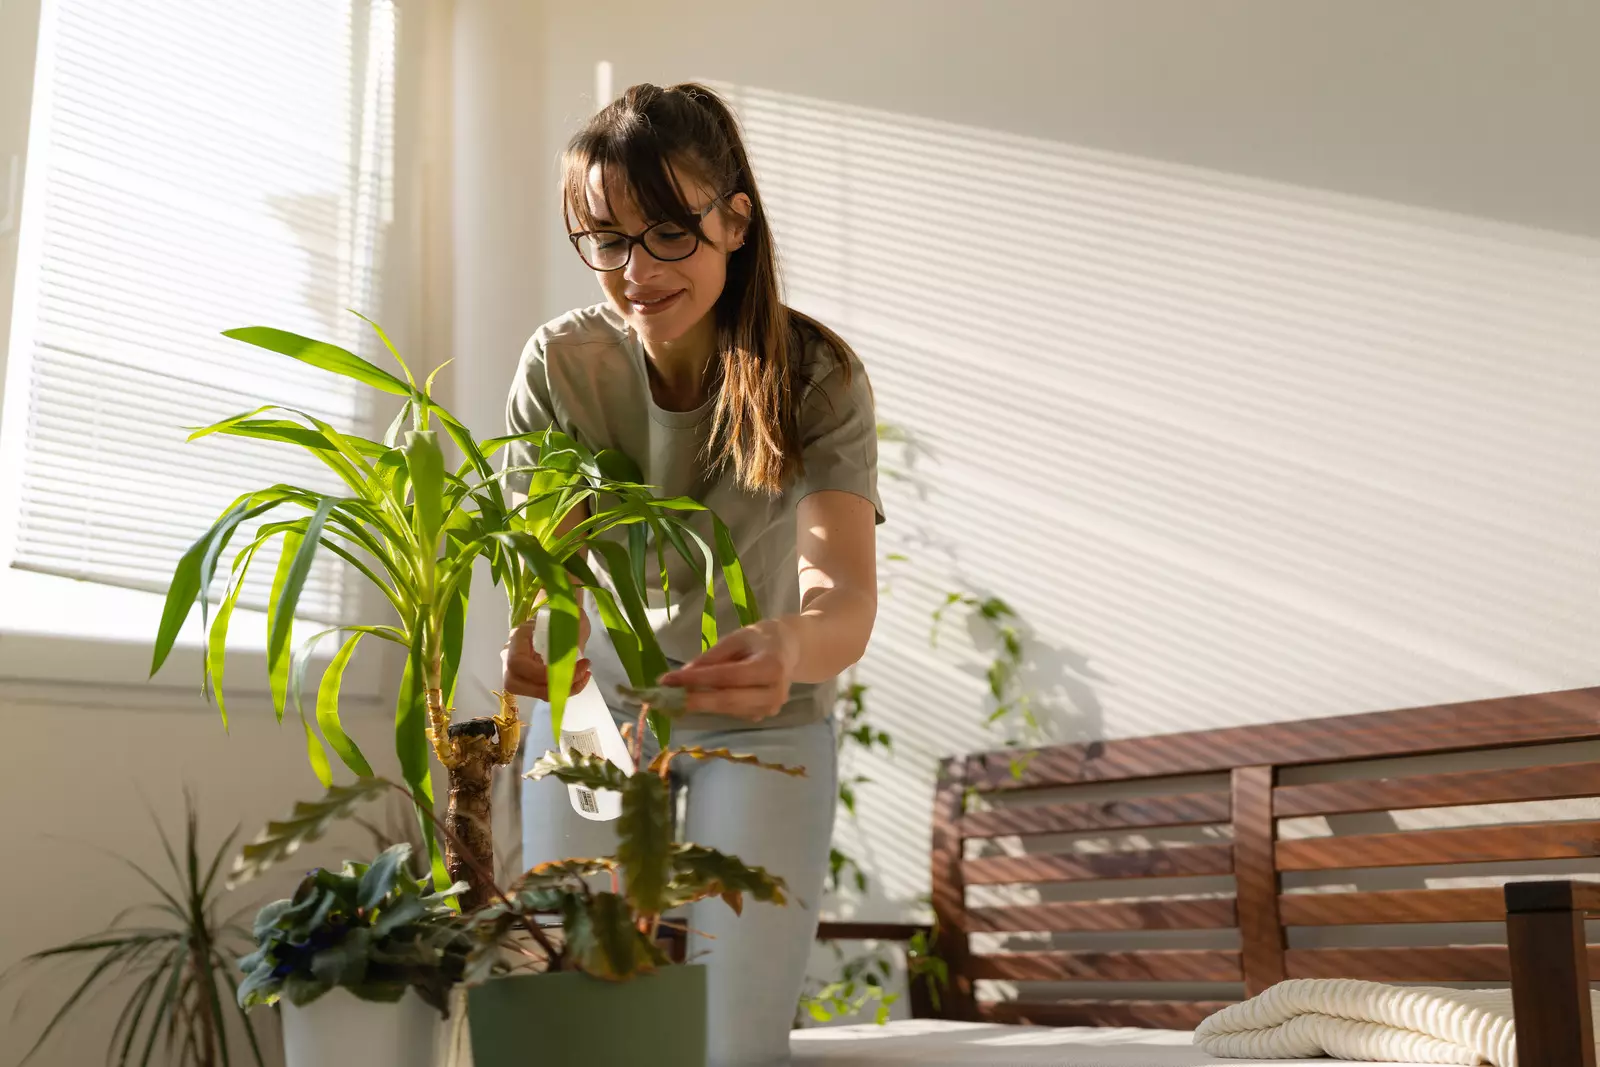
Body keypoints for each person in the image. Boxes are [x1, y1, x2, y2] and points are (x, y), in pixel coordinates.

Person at [499, 82, 882, 1066]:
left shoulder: (815, 376)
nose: (636, 270)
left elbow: (841, 598)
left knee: (732, 1043)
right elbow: (553, 573)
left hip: (766, 708)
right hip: (598, 707)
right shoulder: (562, 367)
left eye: (667, 232)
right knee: (574, 1034)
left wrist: (791, 643)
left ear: (735, 222)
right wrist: (552, 629)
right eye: (606, 238)